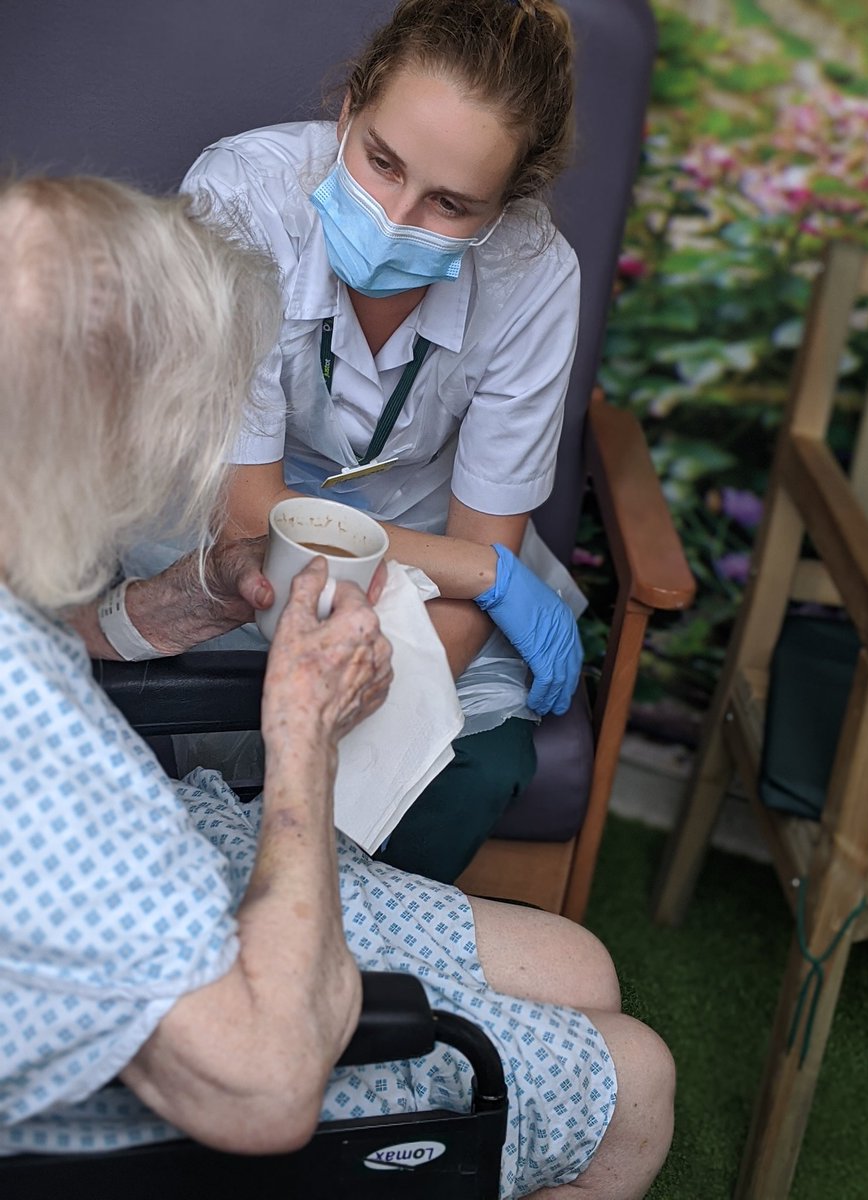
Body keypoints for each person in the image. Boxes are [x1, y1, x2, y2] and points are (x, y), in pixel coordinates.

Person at [0, 173, 674, 1199]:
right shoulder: (37, 752)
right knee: (635, 1076)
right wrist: (303, 735)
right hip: (200, 1053)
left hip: (149, 879)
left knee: (579, 967)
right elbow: (267, 1088)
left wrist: (191, 596)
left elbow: (54, 633)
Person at [165, 0, 588, 882]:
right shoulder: (242, 197)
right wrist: (485, 575)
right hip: (217, 525)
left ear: (507, 205)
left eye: (450, 203)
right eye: (381, 162)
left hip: (422, 558)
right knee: (179, 716)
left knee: (474, 764)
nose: (395, 217)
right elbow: (253, 512)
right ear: (350, 106)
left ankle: (362, 973)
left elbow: (483, 547)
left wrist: (390, 698)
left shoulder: (536, 275)